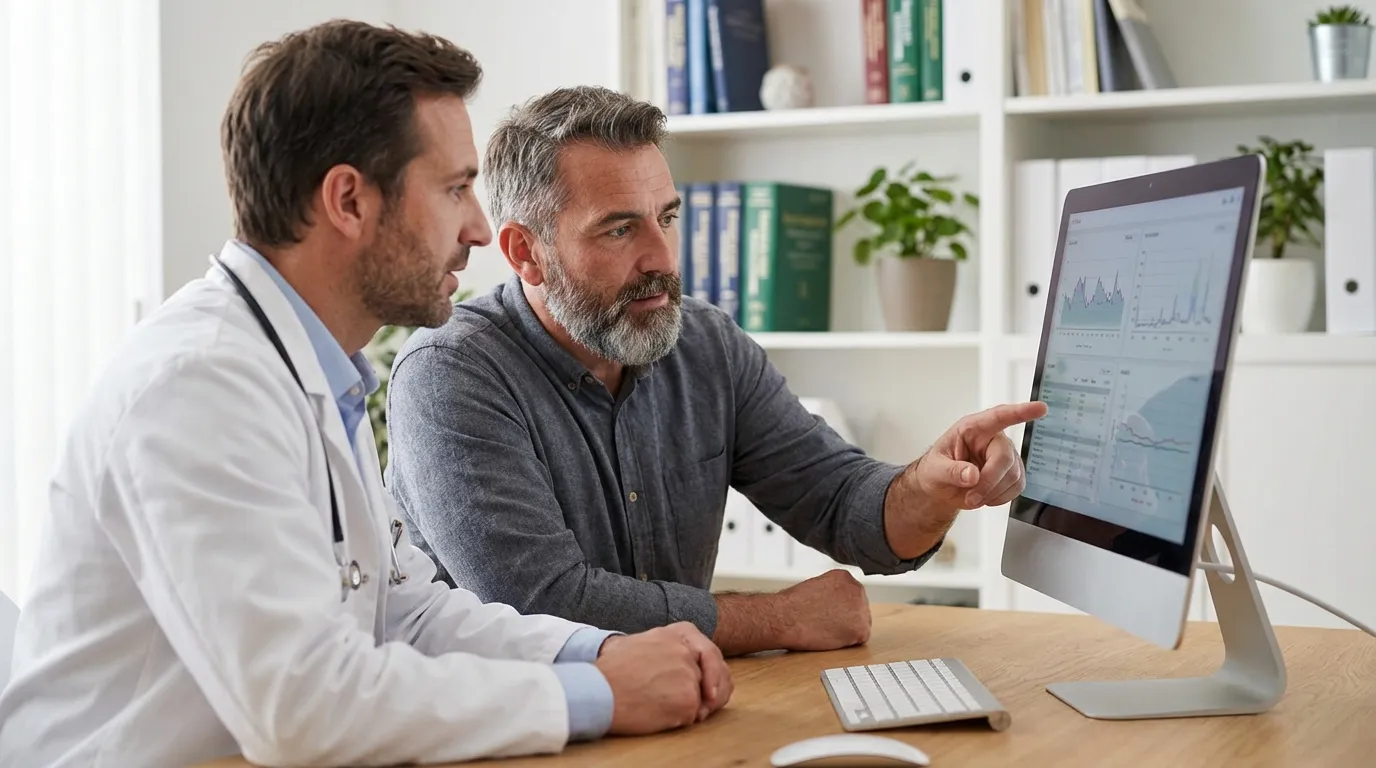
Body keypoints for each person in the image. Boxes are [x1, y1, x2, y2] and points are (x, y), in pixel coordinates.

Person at [0, 22, 730, 768]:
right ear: (349, 200)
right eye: (454, 189)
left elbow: (403, 615)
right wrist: (601, 696)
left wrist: (602, 650)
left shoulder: (312, 372)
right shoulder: (199, 385)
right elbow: (304, 709)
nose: (480, 229)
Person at [383, 84, 1048, 658]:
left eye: (667, 218)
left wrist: (931, 487)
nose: (661, 258)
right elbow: (543, 607)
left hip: (666, 713)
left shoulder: (705, 344)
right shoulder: (450, 374)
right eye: (619, 230)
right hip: (508, 729)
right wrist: (781, 618)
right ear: (526, 252)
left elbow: (843, 505)